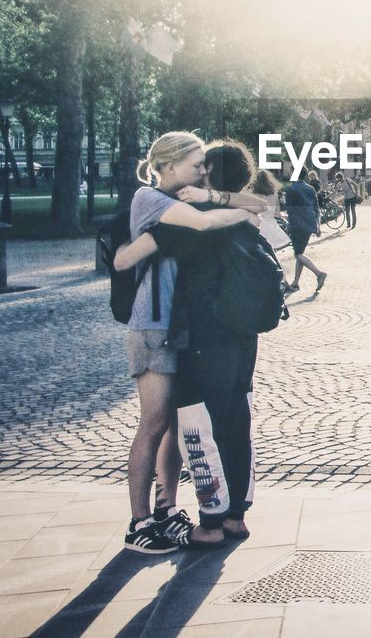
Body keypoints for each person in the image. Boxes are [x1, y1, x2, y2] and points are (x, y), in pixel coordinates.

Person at [117, 141, 272, 549]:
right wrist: (245, 209)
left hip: (192, 334)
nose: (200, 171)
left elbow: (130, 256)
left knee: (191, 425)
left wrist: (214, 202)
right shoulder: (179, 210)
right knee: (210, 422)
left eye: (204, 166)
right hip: (199, 332)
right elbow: (128, 257)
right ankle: (159, 519)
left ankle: (191, 516)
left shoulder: (191, 217)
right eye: (194, 163)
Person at [283, 170, 327, 293]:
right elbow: (316, 208)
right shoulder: (311, 189)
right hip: (309, 225)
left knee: (298, 254)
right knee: (300, 253)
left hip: (297, 226)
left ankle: (319, 274)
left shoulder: (291, 190)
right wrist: (318, 226)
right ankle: (296, 283)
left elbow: (290, 210)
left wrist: (289, 224)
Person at [250, 169, 291, 255]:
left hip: (259, 226)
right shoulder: (274, 194)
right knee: (273, 254)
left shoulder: (254, 194)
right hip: (272, 226)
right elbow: (277, 213)